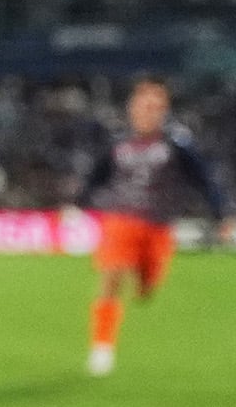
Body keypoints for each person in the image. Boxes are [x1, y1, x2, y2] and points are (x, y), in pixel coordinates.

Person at [74, 75, 224, 376]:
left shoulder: (177, 143)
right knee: (112, 276)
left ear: (164, 110)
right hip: (120, 218)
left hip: (158, 225)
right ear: (133, 108)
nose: (149, 111)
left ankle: (145, 281)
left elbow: (202, 178)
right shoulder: (118, 142)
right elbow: (96, 175)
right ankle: (102, 348)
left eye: (156, 106)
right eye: (144, 105)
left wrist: (220, 213)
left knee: (148, 285)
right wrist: (77, 203)